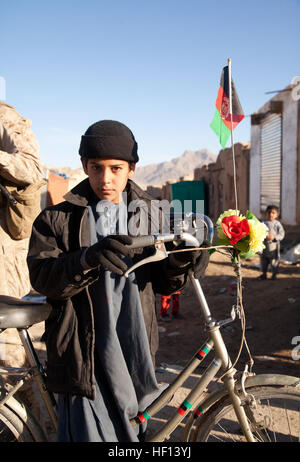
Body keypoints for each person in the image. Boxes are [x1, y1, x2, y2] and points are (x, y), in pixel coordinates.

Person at [27, 120, 209, 442]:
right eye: (96, 168)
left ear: (132, 168)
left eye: (116, 168)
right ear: (84, 165)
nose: (105, 179)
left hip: (134, 351)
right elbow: (43, 277)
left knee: (136, 431)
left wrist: (181, 258)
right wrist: (86, 258)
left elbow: (167, 284)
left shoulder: (152, 213)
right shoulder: (57, 218)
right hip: (83, 357)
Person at [258, 205, 285, 280]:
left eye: (273, 213)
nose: (271, 214)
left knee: (274, 262)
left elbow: (282, 234)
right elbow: (258, 232)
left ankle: (274, 275)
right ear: (266, 213)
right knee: (264, 262)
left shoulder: (277, 224)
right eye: (269, 212)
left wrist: (275, 237)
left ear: (277, 215)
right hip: (264, 247)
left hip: (274, 248)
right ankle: (264, 274)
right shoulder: (263, 223)